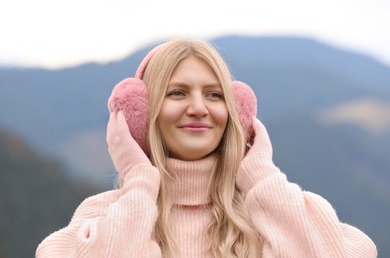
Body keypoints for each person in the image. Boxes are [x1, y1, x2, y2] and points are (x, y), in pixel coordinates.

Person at [36, 38, 377, 257]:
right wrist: (138, 179)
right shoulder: (100, 218)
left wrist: (259, 174)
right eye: (177, 93)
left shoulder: (281, 211)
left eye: (214, 95)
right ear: (141, 114)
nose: (199, 107)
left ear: (236, 113)